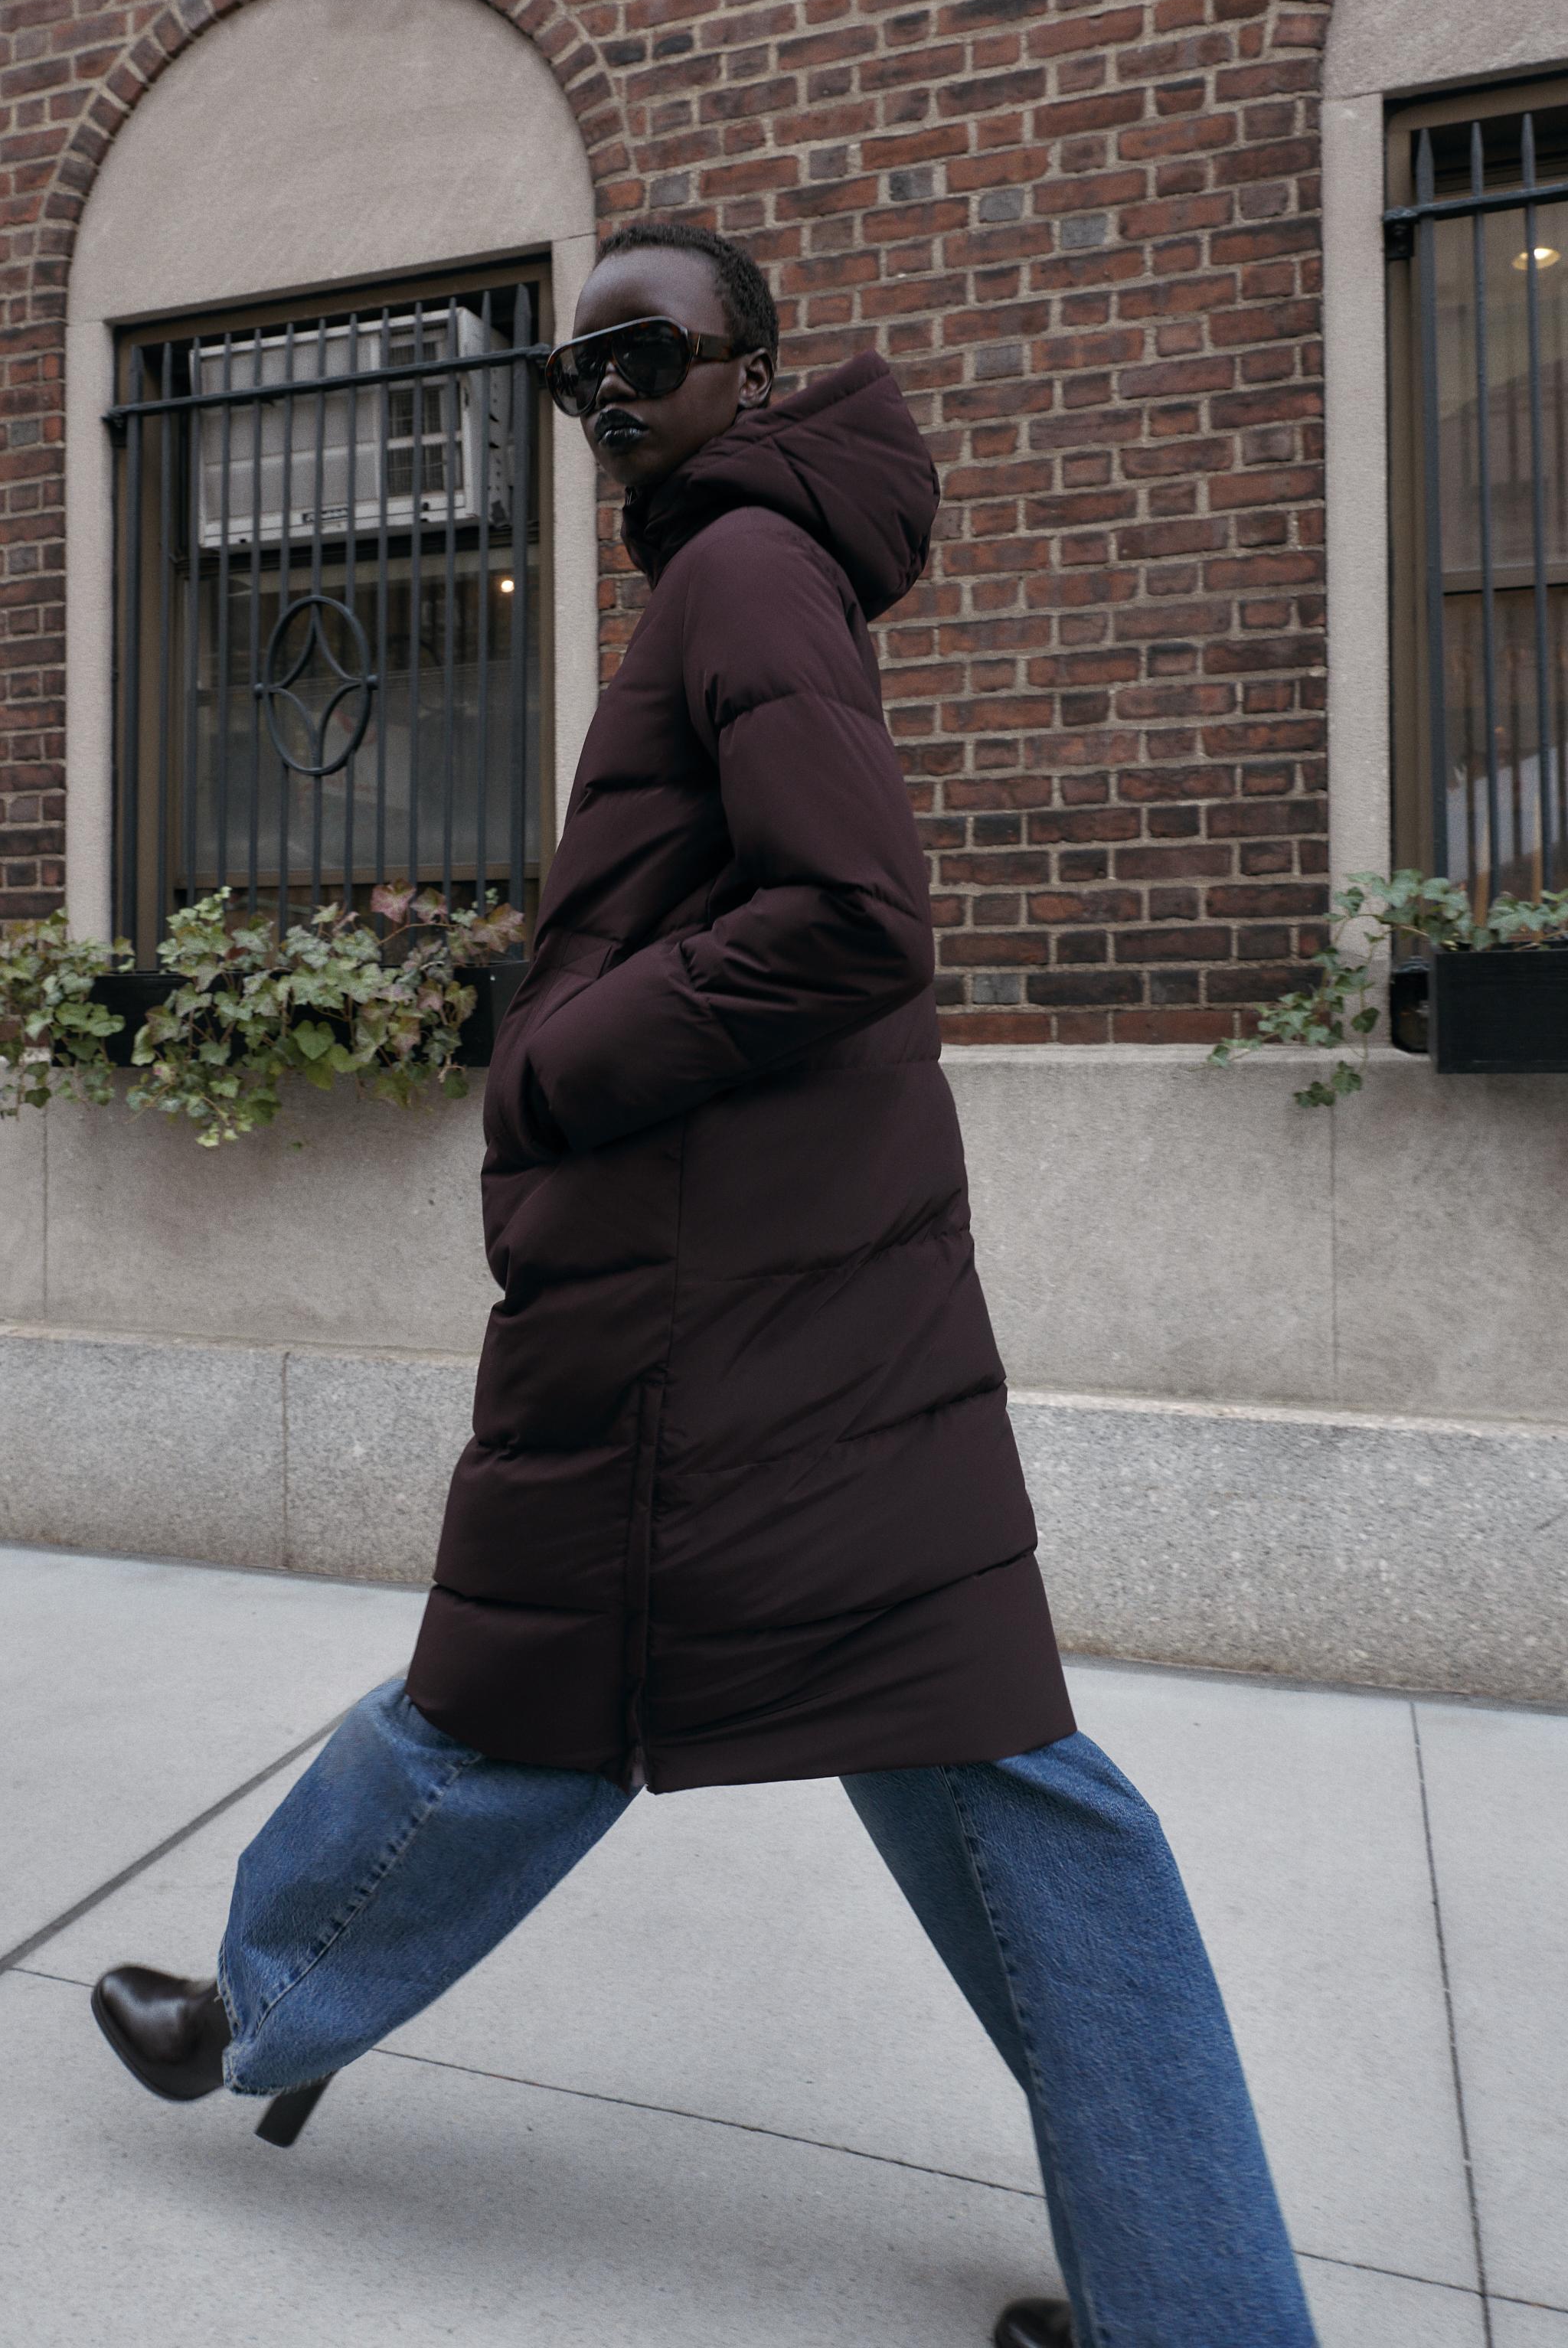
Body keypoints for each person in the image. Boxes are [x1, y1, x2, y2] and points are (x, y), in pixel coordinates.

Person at [92, 222, 1318, 2348]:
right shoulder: (740, 566)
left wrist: (567, 1052)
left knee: (629, 1699)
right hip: (760, 1297)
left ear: (751, 362)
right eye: (577, 374)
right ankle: (267, 2008)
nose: (608, 397)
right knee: (643, 1699)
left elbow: (852, 914)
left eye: (645, 353)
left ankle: (260, 2011)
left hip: (740, 1314)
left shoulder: (744, 566)